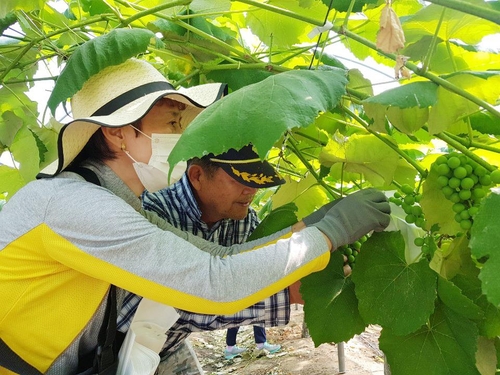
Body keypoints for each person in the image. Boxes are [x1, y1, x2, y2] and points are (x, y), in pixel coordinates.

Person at [0, 57, 391, 375]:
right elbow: (213, 283)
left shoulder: (113, 204)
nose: (183, 139)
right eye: (172, 123)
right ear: (117, 133)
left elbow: (215, 258)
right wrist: (330, 232)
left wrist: (310, 226)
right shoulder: (75, 206)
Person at [141, 145, 285, 371]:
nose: (252, 189)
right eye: (240, 179)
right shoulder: (155, 214)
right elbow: (176, 305)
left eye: (256, 179)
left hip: (169, 345)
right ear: (197, 176)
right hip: (115, 349)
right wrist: (289, 295)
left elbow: (261, 263)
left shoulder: (242, 219)